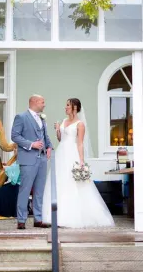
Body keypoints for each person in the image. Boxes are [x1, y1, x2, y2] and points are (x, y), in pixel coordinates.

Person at [42, 98, 114, 228]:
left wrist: (81, 161)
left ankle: (71, 216)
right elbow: (60, 139)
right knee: (59, 181)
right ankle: (55, 216)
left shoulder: (80, 124)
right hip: (61, 153)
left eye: (68, 105)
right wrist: (58, 129)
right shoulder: (64, 121)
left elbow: (80, 143)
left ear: (75, 107)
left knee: (73, 183)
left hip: (72, 154)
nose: (65, 107)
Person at [10, 95, 53, 230]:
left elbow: (45, 136)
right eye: (42, 102)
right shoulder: (21, 117)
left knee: (39, 191)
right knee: (25, 190)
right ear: (34, 102)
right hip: (28, 159)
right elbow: (14, 136)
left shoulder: (42, 118)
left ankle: (38, 219)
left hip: (42, 159)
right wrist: (31, 144)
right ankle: (21, 220)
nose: (44, 104)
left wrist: (49, 147)